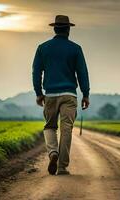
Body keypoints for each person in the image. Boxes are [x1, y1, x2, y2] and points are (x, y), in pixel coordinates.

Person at [32, 15, 90, 175]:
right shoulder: (75, 49)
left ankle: (53, 153)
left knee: (50, 126)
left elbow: (36, 72)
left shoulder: (42, 48)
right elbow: (82, 73)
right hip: (69, 95)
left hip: (50, 95)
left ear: (55, 29)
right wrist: (86, 94)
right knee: (66, 129)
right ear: (68, 30)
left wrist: (38, 93)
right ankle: (62, 167)